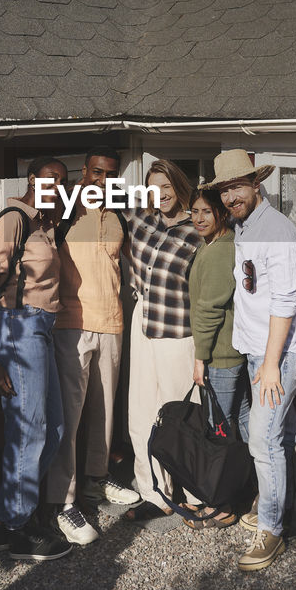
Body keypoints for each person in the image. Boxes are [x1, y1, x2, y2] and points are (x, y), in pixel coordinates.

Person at [211, 149, 296, 572]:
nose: (231, 196)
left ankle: (269, 531)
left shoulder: (276, 230)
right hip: (259, 352)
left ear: (256, 184)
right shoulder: (244, 226)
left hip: (281, 355)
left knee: (263, 440)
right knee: (280, 436)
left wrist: (271, 364)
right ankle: (277, 508)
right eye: (224, 190)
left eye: (237, 186)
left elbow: (286, 302)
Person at [0, 157, 73, 562]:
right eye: (52, 179)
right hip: (18, 329)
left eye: (65, 181)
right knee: (28, 432)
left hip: (41, 330)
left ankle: (1, 522)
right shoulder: (14, 218)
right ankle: (17, 529)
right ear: (33, 180)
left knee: (54, 430)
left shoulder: (45, 225)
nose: (59, 186)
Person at [41, 148, 141, 544]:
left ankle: (96, 481)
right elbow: (22, 235)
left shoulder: (120, 215)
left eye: (110, 174)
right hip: (71, 325)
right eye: (97, 172)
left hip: (112, 322)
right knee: (69, 417)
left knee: (104, 412)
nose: (102, 179)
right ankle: (63, 503)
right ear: (85, 171)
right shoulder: (62, 212)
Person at [121, 158, 203, 523]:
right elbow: (91, 199)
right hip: (143, 325)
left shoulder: (198, 230)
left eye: (166, 186)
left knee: (180, 415)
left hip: (179, 333)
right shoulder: (140, 218)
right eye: (153, 187)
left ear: (179, 186)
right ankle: (154, 493)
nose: (161, 194)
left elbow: (204, 291)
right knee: (140, 413)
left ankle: (195, 493)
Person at [185, 186, 247, 529]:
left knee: (218, 433)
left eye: (206, 212)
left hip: (221, 356)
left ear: (221, 213)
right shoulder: (216, 246)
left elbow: (209, 309)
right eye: (194, 212)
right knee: (241, 425)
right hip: (229, 352)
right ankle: (247, 493)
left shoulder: (221, 251)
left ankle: (222, 506)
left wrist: (200, 357)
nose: (198, 218)